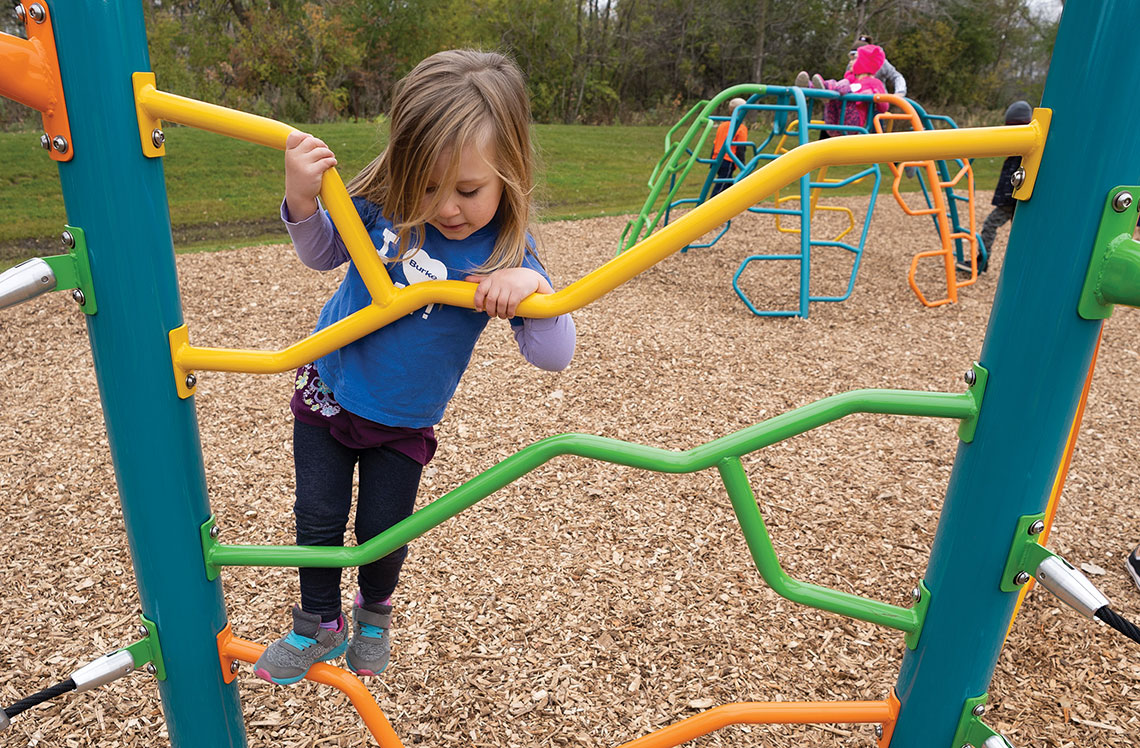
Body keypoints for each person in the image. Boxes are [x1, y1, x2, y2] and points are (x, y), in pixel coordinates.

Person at [253, 49, 576, 685]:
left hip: (404, 416)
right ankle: (317, 621)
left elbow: (553, 356)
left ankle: (373, 613)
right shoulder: (387, 202)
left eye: (467, 190)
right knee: (316, 515)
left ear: (508, 173)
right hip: (328, 384)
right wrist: (300, 197)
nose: (445, 206)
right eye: (427, 185)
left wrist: (532, 290)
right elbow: (323, 255)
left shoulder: (508, 250)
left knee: (382, 526)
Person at [965, 100, 1033, 274]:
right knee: (1016, 233)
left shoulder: (1026, 148)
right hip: (1011, 198)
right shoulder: (1017, 145)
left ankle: (983, 260)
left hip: (1013, 199)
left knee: (992, 226)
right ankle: (989, 261)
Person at [796, 44, 890, 137]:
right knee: (839, 88)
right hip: (832, 126)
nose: (850, 62)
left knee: (842, 85)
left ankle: (821, 89)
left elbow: (884, 106)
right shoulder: (850, 79)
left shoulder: (874, 83)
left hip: (851, 124)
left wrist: (873, 96)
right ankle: (812, 89)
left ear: (865, 62)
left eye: (855, 59)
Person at [710, 97, 748, 196]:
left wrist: (712, 159)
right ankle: (711, 207)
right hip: (728, 160)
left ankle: (730, 204)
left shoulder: (723, 125)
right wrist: (743, 167)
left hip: (716, 158)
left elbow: (716, 143)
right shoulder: (741, 128)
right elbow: (741, 149)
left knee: (728, 185)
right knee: (720, 188)